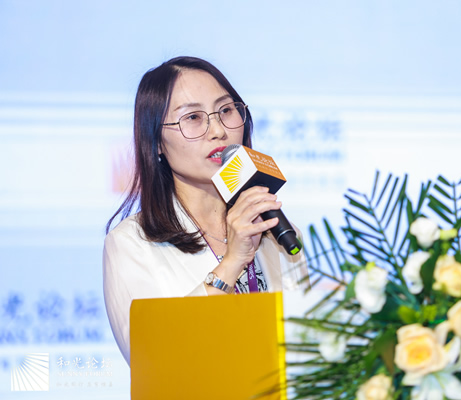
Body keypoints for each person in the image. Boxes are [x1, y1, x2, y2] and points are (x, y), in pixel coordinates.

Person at [102, 56, 308, 365]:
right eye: (193, 117)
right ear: (156, 141)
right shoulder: (131, 243)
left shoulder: (276, 232)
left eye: (226, 110)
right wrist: (231, 263)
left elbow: (307, 348)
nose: (218, 130)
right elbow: (151, 359)